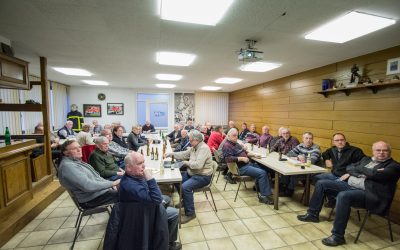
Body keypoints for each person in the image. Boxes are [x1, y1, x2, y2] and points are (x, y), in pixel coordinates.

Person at [297, 141, 400, 247]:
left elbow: (375, 174)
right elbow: (349, 167)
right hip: (352, 186)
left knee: (343, 196)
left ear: (390, 152)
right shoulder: (366, 159)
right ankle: (312, 214)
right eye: (378, 150)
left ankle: (337, 236)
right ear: (373, 151)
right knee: (321, 183)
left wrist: (362, 170)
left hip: (371, 194)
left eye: (385, 150)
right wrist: (365, 172)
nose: (381, 153)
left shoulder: (394, 166)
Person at [120, 152, 182, 250]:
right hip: (142, 215)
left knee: (167, 198)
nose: (144, 166)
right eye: (139, 163)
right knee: (175, 213)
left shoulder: (133, 175)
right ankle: (167, 244)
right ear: (128, 168)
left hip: (143, 206)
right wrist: (150, 177)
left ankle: (164, 236)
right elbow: (157, 199)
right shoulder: (131, 186)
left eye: (143, 162)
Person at [165, 130, 214, 224]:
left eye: (191, 140)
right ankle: (185, 201)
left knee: (185, 187)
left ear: (197, 140)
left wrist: (185, 162)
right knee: (176, 179)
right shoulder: (194, 147)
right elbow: (184, 154)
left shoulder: (203, 148)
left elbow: (198, 165)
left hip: (203, 176)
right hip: (193, 173)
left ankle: (190, 213)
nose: (189, 142)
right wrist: (171, 154)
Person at [58, 140, 119, 208]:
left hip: (97, 193)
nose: (79, 150)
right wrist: (112, 183)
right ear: (65, 152)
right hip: (90, 199)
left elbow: (97, 178)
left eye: (79, 147)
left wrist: (110, 184)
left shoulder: (75, 161)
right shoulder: (68, 166)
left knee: (127, 188)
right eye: (74, 148)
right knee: (128, 194)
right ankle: (120, 217)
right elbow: (87, 185)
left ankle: (122, 216)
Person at [222, 128, 274, 204]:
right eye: (234, 135)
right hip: (240, 168)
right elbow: (227, 159)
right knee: (262, 173)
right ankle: (264, 196)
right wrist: (241, 158)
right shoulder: (227, 145)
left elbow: (245, 152)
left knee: (265, 169)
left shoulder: (235, 143)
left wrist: (254, 155)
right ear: (228, 136)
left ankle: (261, 188)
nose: (236, 137)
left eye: (237, 135)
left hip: (246, 164)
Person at [281, 132, 321, 197]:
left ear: (312, 139)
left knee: (294, 175)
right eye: (306, 138)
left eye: (310, 138)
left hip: (312, 171)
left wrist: (302, 157)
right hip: (301, 167)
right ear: (303, 139)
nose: (308, 140)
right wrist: (298, 156)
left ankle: (289, 191)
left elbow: (312, 161)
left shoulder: (316, 148)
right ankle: (283, 188)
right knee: (285, 170)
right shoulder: (300, 145)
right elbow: (289, 154)